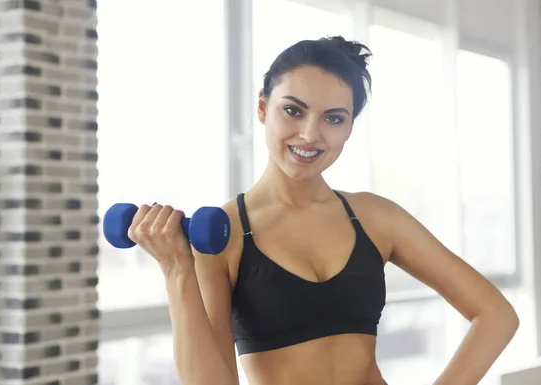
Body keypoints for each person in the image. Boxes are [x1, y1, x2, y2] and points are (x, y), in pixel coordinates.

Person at [128, 35, 519, 385]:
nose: (311, 135)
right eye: (293, 111)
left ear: (349, 127)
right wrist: (177, 269)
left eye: (333, 118)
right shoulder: (224, 234)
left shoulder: (375, 217)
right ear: (263, 108)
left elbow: (496, 315)